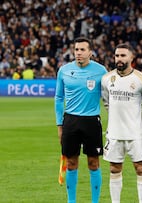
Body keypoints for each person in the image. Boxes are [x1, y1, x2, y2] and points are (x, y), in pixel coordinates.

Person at [54, 37, 107, 203]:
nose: (79, 53)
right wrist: (59, 126)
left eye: (82, 50)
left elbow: (108, 98)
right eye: (76, 50)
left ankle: (95, 201)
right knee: (71, 162)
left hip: (92, 121)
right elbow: (58, 98)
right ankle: (71, 201)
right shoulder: (64, 70)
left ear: (90, 52)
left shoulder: (101, 71)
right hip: (70, 121)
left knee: (93, 162)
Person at [101, 43, 142, 203]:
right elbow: (106, 101)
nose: (119, 59)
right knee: (114, 169)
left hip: (135, 134)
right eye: (117, 55)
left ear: (132, 57)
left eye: (123, 55)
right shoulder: (106, 79)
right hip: (114, 133)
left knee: (140, 169)